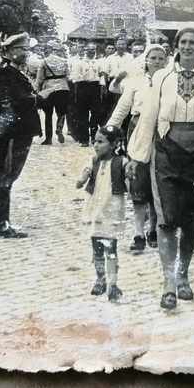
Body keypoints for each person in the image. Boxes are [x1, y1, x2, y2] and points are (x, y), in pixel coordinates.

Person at [137, 26, 194, 310]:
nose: (188, 46)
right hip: (167, 153)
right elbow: (149, 118)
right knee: (167, 219)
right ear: (176, 45)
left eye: (193, 42)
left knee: (191, 221)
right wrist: (138, 156)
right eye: (183, 42)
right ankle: (168, 283)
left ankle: (183, 275)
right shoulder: (162, 77)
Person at [106, 43, 168, 252]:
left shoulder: (169, 82)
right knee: (138, 182)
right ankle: (138, 232)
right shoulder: (136, 82)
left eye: (161, 58)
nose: (157, 62)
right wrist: (109, 131)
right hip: (138, 131)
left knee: (157, 182)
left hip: (162, 133)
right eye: (154, 58)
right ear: (146, 60)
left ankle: (154, 230)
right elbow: (122, 108)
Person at [0, 32, 41, 238]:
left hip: (20, 131)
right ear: (10, 51)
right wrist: (34, 99)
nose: (26, 53)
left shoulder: (14, 71)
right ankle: (1, 224)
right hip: (13, 133)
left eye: (26, 49)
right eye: (22, 49)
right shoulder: (3, 72)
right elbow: (5, 103)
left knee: (9, 176)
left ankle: (1, 221)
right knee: (7, 176)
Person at [75, 125, 127, 302]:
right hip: (95, 208)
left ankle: (113, 283)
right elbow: (83, 176)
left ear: (113, 144)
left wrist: (131, 174)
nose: (95, 145)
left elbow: (129, 175)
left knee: (110, 247)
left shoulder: (122, 162)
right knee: (96, 245)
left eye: (100, 142)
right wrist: (81, 179)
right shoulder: (93, 161)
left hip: (111, 208)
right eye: (94, 141)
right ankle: (100, 278)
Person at [35, 41, 71, 145]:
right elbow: (68, 76)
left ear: (49, 50)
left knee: (48, 114)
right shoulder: (64, 61)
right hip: (63, 88)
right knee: (61, 112)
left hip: (49, 90)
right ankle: (59, 128)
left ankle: (48, 138)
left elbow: (39, 79)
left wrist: (37, 91)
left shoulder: (44, 61)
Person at [71, 44, 103, 146]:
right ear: (85, 50)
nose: (91, 51)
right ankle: (84, 139)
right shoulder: (79, 62)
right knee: (82, 114)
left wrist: (102, 86)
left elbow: (102, 76)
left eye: (93, 49)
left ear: (95, 50)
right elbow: (75, 77)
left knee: (95, 113)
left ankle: (94, 137)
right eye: (89, 49)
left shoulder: (99, 62)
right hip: (83, 87)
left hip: (95, 87)